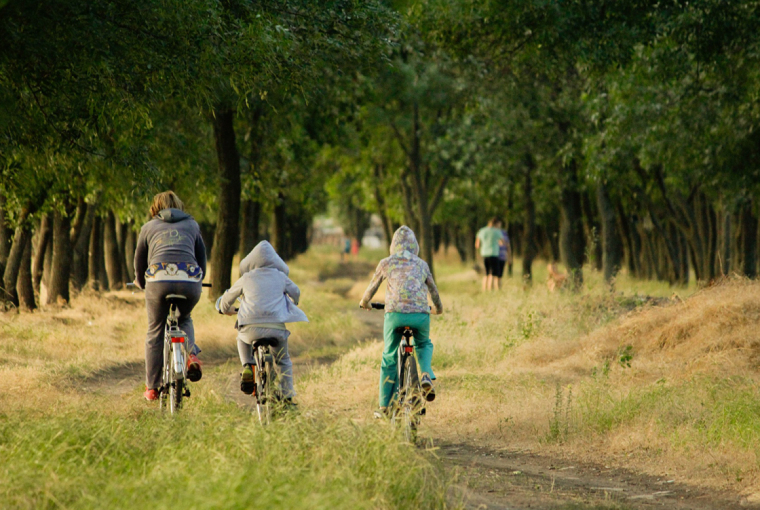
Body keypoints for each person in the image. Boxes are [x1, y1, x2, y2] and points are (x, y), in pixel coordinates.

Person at [359, 226, 443, 418]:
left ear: (393, 245)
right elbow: (434, 292)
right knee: (423, 343)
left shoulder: (386, 262)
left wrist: (365, 303)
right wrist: (438, 309)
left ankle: (384, 406)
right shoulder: (422, 264)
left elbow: (371, 289)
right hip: (420, 315)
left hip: (394, 315)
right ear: (415, 246)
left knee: (389, 355)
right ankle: (425, 374)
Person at [134, 191, 206, 401]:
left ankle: (153, 387)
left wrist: (140, 282)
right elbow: (201, 258)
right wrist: (198, 279)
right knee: (184, 318)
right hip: (189, 280)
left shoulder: (148, 227)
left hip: (158, 280)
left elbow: (139, 261)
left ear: (156, 208)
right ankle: (191, 355)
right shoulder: (192, 225)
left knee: (155, 330)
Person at [215, 241, 308, 401]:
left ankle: (247, 366)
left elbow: (226, 301)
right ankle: (287, 397)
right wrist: (291, 303)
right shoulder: (280, 276)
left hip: (250, 328)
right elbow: (296, 293)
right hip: (276, 328)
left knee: (242, 338)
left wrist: (223, 309)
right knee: (283, 360)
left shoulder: (246, 277)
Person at [475, 217, 505, 291]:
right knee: (494, 274)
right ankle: (492, 290)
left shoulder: (482, 231)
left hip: (484, 253)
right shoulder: (497, 231)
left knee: (486, 273)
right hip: (494, 253)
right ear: (496, 224)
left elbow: (477, 245)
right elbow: (502, 243)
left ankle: (484, 289)